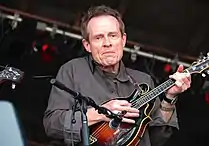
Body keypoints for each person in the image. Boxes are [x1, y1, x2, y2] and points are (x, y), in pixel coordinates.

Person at [43, 5, 191, 146]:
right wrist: (100, 113)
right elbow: (52, 125)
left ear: (123, 40)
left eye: (113, 35)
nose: (107, 43)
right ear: (87, 45)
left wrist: (169, 99)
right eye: (98, 38)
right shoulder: (73, 70)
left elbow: (156, 139)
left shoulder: (143, 81)